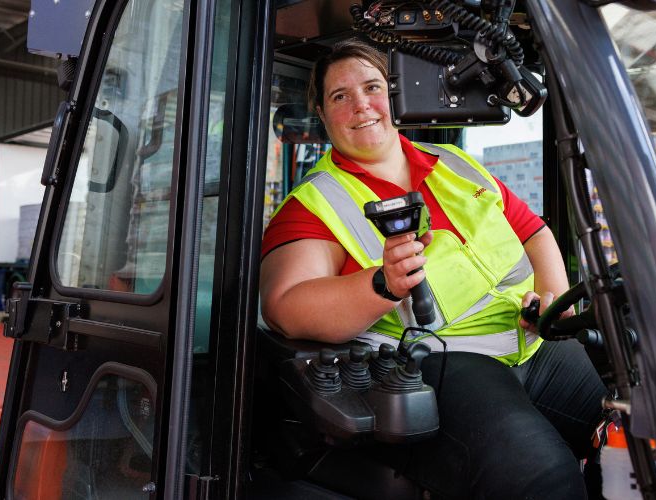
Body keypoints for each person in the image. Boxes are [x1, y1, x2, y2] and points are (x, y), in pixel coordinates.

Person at [260, 38, 608, 499]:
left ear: (395, 94)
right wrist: (381, 284)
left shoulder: (456, 164)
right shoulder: (317, 201)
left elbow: (535, 233)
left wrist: (550, 295)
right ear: (323, 115)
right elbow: (286, 305)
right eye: (340, 97)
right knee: (544, 480)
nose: (361, 105)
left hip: (535, 343)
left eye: (372, 87)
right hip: (448, 360)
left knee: (642, 432)